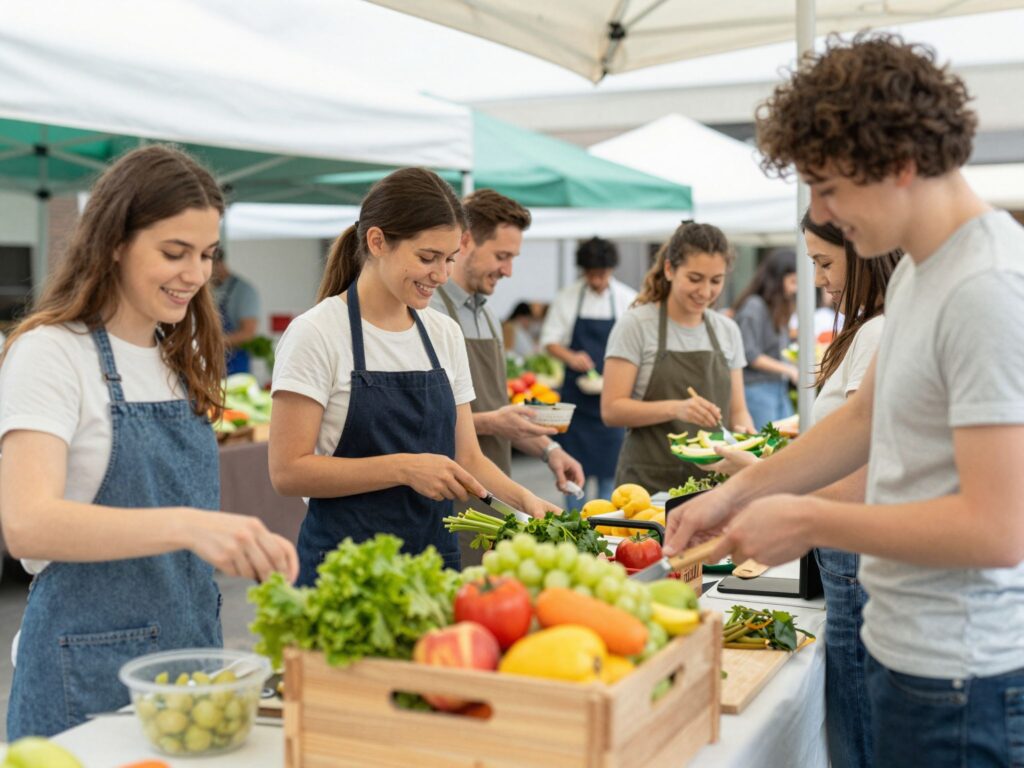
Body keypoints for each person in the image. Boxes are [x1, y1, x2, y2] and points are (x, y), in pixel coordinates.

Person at [665, 33, 1024, 767]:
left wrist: (809, 518)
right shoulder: (923, 273)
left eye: (828, 187)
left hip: (964, 679)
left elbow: (998, 528)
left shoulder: (986, 287)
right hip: (911, 653)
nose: (823, 212)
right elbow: (863, 419)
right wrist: (734, 494)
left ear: (897, 163)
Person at [0, 145, 298, 739]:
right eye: (174, 252)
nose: (196, 274)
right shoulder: (51, 353)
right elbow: (26, 524)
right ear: (114, 241)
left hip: (191, 658)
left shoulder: (177, 357)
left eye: (207, 255)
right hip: (84, 667)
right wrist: (190, 525)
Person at [269, 170, 560, 586]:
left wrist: (528, 502)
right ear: (377, 241)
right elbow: (288, 472)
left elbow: (470, 458)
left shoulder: (443, 334)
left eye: (449, 260)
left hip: (432, 565)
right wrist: (404, 468)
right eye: (427, 258)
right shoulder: (316, 333)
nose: (441, 276)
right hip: (345, 570)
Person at [714, 211, 901, 768]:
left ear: (864, 250)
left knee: (857, 729)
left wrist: (756, 482)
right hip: (846, 556)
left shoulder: (877, 332)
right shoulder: (870, 328)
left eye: (824, 261)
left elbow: (862, 473)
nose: (818, 278)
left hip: (854, 557)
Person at [428, 189, 584, 564]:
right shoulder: (430, 310)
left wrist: (549, 449)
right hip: (446, 503)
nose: (509, 270)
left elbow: (499, 414)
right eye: (502, 256)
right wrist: (495, 421)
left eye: (513, 257)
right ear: (465, 242)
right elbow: (426, 422)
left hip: (495, 492)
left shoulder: (489, 318)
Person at [601, 221, 754, 494]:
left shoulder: (727, 330)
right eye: (695, 279)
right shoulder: (636, 325)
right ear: (670, 270)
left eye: (715, 281)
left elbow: (738, 410)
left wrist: (748, 440)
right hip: (648, 487)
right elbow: (612, 410)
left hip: (715, 486)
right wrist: (676, 408)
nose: (705, 292)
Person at [541, 237, 637, 509]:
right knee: (573, 474)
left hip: (613, 402)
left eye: (602, 274)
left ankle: (604, 530)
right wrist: (571, 357)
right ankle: (573, 530)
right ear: (583, 271)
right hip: (577, 404)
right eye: (592, 274)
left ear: (612, 269)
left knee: (610, 475)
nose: (597, 281)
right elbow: (549, 341)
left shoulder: (627, 299)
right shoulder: (567, 297)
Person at [732, 248, 799, 429]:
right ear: (777, 279)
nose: (796, 288)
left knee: (786, 442)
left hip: (777, 387)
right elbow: (750, 354)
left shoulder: (777, 307)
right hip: (757, 389)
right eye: (793, 281)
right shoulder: (754, 306)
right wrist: (789, 370)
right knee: (768, 446)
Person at [212, 250, 261, 375]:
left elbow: (248, 334)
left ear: (219, 263)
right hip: (212, 364)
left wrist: (210, 343)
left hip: (235, 367)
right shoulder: (208, 289)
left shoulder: (244, 291)